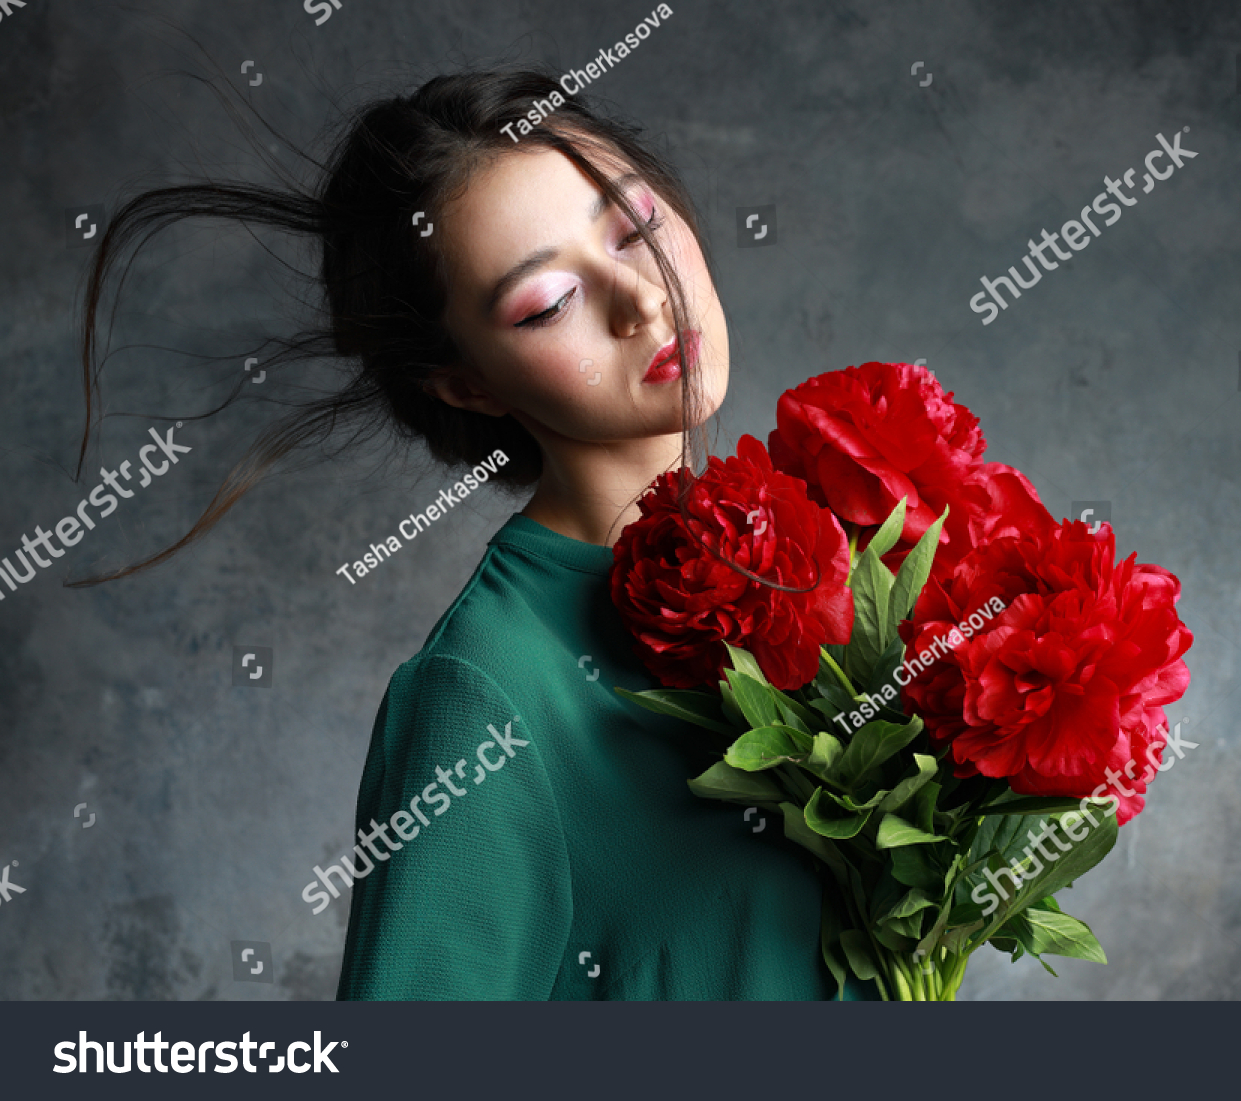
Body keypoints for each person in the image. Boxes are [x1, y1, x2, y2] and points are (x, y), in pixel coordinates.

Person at [75, 66, 879, 1000]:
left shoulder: (843, 550)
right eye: (546, 304)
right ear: (467, 383)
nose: (641, 300)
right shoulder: (483, 694)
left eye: (639, 226)